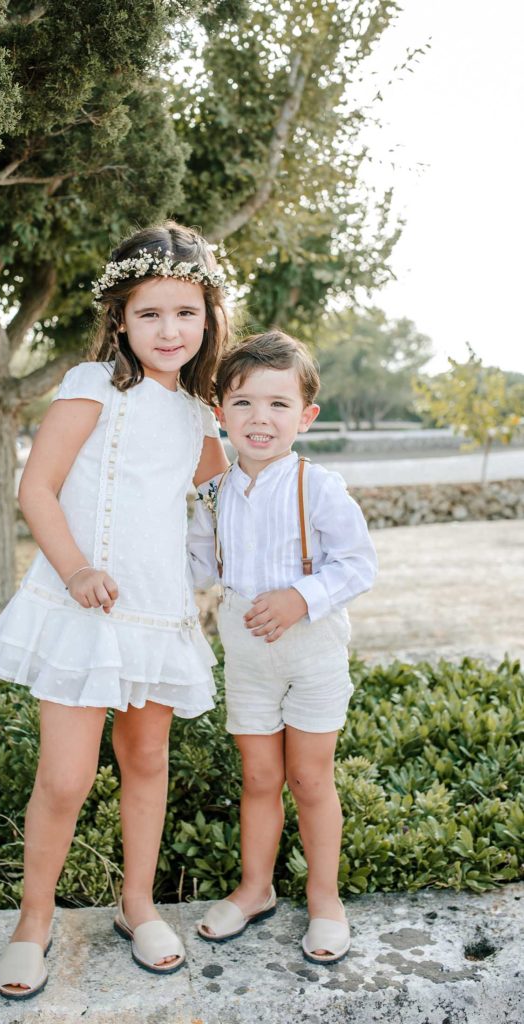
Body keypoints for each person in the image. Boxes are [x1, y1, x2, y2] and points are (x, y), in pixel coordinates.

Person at [0, 222, 231, 998]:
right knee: (63, 778)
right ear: (120, 317)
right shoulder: (91, 386)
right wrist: (77, 568)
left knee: (146, 762)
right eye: (151, 313)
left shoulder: (199, 416)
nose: (170, 330)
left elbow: (225, 488)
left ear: (208, 319)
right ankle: (34, 920)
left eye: (186, 314)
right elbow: (36, 489)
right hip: (84, 607)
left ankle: (138, 904)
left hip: (157, 612)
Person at [188, 331, 377, 964]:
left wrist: (301, 596)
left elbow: (357, 564)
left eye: (277, 405)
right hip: (246, 649)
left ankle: (325, 899)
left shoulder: (317, 486)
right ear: (220, 413)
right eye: (242, 404)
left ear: (306, 415)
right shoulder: (214, 495)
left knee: (309, 776)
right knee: (260, 776)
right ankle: (256, 888)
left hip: (313, 648)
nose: (259, 419)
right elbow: (196, 565)